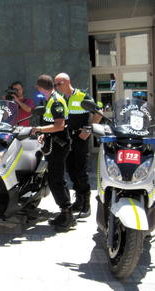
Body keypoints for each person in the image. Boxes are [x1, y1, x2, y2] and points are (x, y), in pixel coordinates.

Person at [31, 74, 76, 232]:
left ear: (41, 88)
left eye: (38, 88)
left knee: (55, 180)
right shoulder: (51, 99)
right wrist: (45, 133)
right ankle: (65, 213)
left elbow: (59, 125)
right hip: (54, 144)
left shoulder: (56, 101)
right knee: (56, 179)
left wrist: (40, 129)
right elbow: (51, 123)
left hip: (59, 146)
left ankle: (67, 214)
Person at [54, 72, 102, 218]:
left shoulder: (82, 96)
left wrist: (88, 129)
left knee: (80, 170)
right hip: (65, 139)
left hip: (79, 138)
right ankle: (79, 201)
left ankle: (86, 205)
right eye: (55, 84)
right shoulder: (59, 98)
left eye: (58, 84)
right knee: (70, 170)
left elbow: (98, 113)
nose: (56, 87)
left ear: (67, 82)